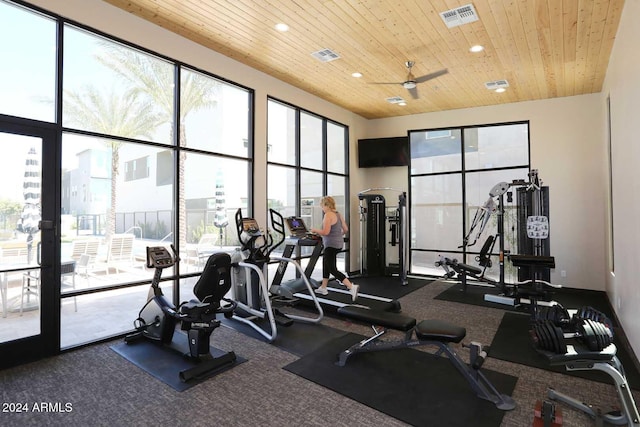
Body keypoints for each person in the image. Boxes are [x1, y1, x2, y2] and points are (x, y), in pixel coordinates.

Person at [310, 196, 359, 301]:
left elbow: (326, 232)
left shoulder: (328, 215)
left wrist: (315, 230)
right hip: (338, 244)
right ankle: (323, 287)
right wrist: (337, 235)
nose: (322, 208)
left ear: (326, 205)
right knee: (326, 264)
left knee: (332, 269)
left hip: (331, 245)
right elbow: (345, 229)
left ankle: (351, 287)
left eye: (322, 206)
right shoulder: (338, 214)